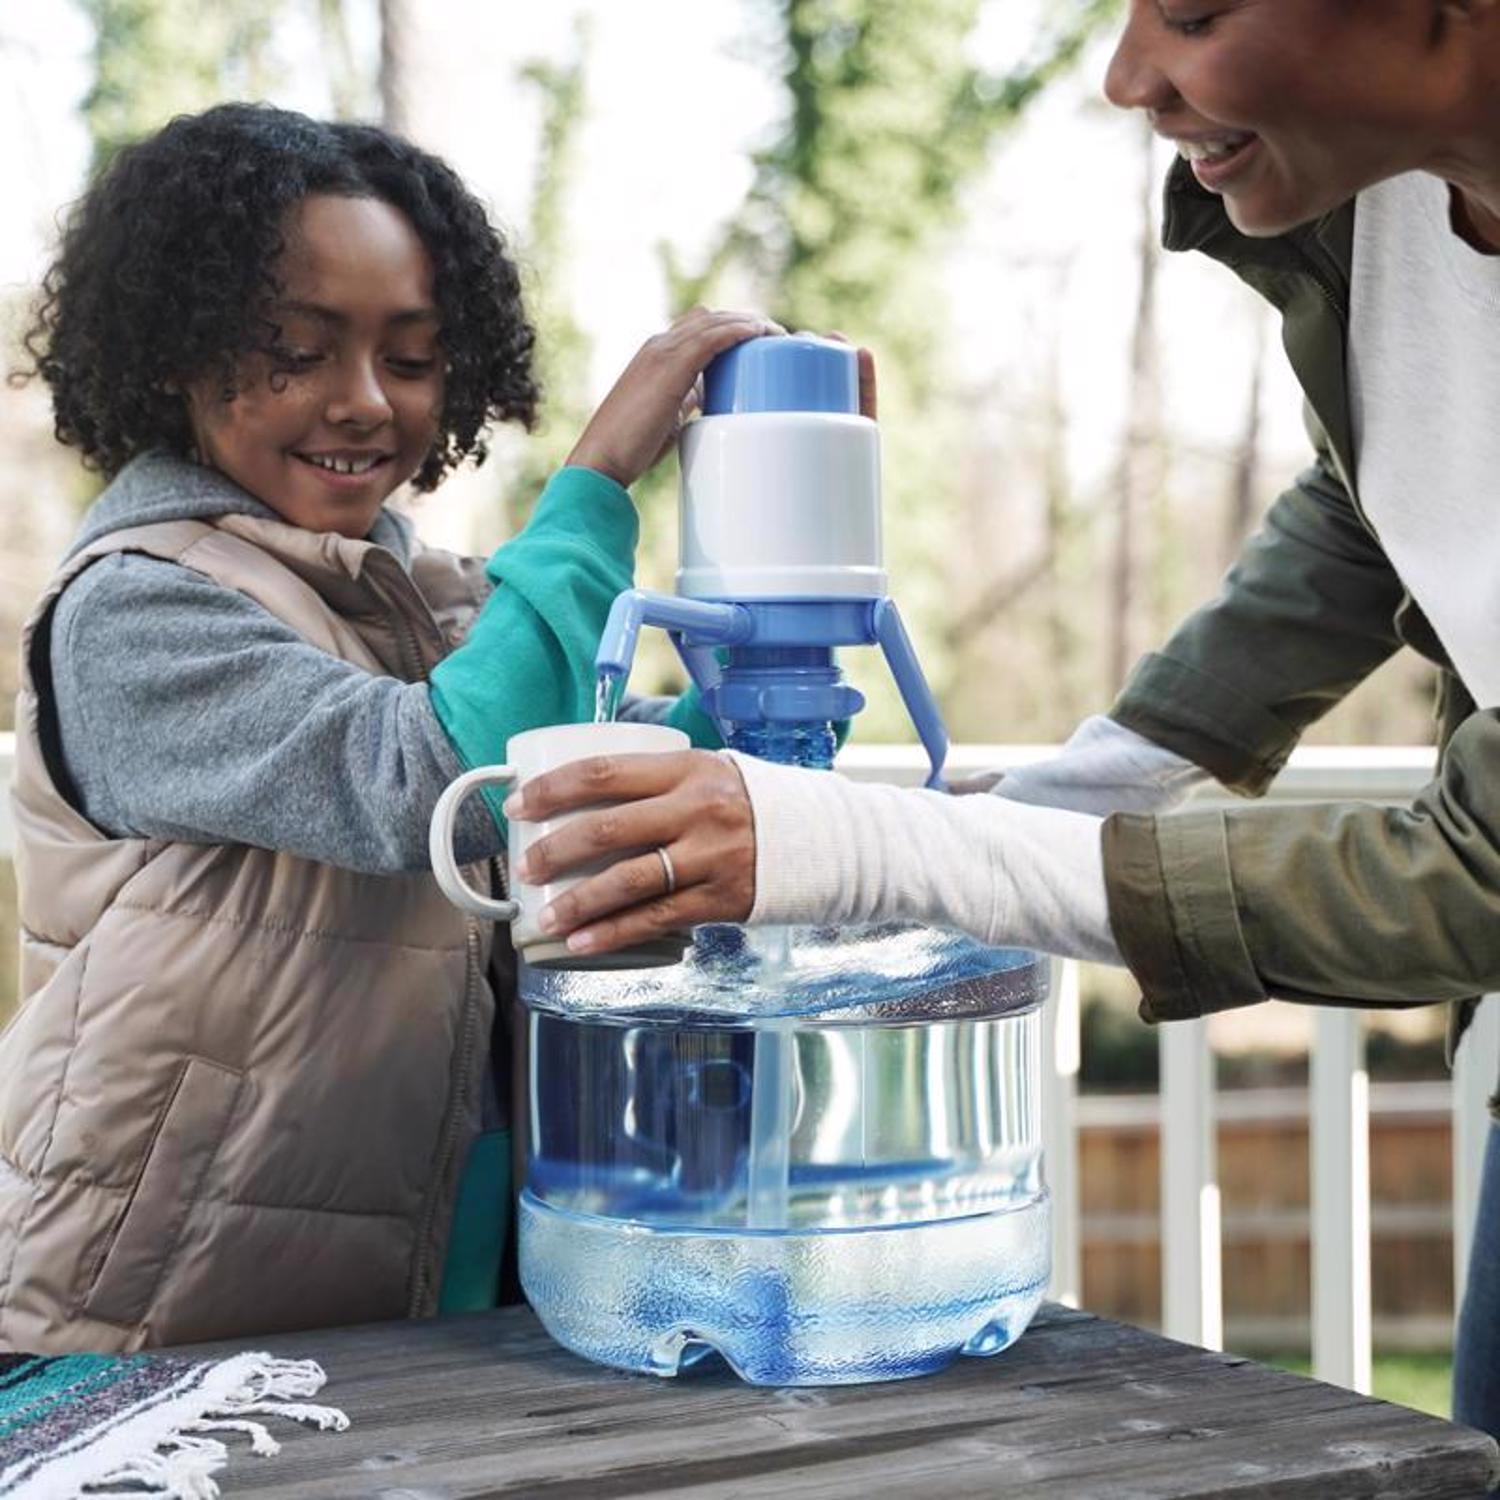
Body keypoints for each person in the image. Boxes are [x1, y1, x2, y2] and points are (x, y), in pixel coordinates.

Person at [504, 0, 1500, 1439]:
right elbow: (1389, 501)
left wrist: (879, 849)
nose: (1126, 76)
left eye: (1197, 12)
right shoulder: (1375, 204)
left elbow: (1480, 872)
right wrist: (1080, 790)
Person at [5, 99, 780, 1352]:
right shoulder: (137, 610)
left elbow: (620, 780)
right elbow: (431, 778)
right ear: (175, 353)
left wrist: (764, 644)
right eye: (298, 352)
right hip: (147, 1321)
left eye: (410, 361)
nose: (363, 402)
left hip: (433, 1310)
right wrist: (596, 484)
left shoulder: (441, 604)